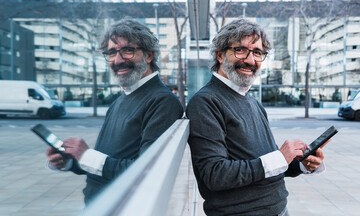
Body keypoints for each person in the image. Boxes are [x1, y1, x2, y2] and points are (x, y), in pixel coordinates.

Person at [186, 19, 326, 216]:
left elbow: (264, 165)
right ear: (220, 55)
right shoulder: (205, 102)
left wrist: (302, 164)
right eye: (240, 50)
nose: (251, 61)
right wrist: (279, 157)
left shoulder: (253, 102)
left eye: (258, 53)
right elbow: (214, 174)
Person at [47, 18, 184, 204]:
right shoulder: (119, 100)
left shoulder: (163, 101)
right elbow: (107, 161)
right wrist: (71, 160)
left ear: (149, 56)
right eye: (111, 53)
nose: (118, 60)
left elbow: (149, 170)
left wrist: (87, 155)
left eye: (128, 50)